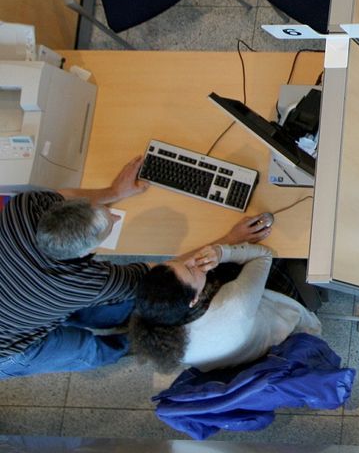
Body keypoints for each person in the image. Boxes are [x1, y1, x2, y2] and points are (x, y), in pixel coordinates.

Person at [0, 157, 151, 378]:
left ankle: (93, 318)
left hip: (16, 302)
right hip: (6, 351)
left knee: (68, 310)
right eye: (110, 225)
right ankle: (131, 344)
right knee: (84, 350)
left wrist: (115, 191)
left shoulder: (22, 207)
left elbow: (63, 196)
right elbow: (147, 276)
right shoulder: (82, 283)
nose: (114, 216)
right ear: (83, 253)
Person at [129, 214, 321, 373]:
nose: (191, 261)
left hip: (247, 356)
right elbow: (263, 254)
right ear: (194, 299)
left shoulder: (166, 331)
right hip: (282, 326)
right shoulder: (234, 303)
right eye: (189, 269)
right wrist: (222, 252)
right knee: (280, 245)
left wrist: (229, 240)